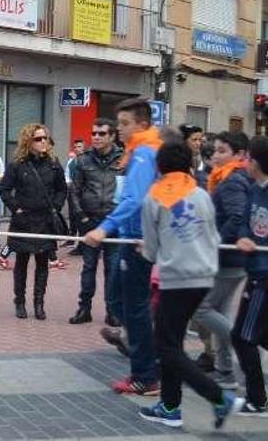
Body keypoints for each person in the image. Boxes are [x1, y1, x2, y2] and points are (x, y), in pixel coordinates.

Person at [138, 140, 244, 429]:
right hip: (204, 276)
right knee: (170, 341)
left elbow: (150, 251)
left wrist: (144, 249)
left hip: (176, 278)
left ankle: (218, 397)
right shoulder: (200, 194)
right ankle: (171, 407)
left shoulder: (154, 197)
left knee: (166, 346)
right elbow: (212, 234)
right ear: (188, 165)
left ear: (159, 166)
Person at [84, 97, 162, 396]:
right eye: (119, 124)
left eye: (125, 124)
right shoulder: (137, 152)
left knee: (133, 306)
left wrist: (104, 228)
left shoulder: (144, 153)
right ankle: (144, 351)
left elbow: (135, 199)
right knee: (118, 299)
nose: (120, 129)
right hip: (130, 237)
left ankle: (146, 372)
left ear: (142, 125)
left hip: (136, 241)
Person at [188, 131, 250, 388]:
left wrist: (215, 243)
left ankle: (243, 345)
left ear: (238, 155)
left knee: (201, 309)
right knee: (220, 311)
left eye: (222, 150)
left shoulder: (233, 180)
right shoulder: (226, 178)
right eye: (215, 150)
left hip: (227, 258)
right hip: (229, 258)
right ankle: (225, 372)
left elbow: (236, 217)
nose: (215, 155)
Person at [0, 124, 66, 320]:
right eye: (38, 139)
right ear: (28, 141)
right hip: (23, 220)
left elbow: (62, 189)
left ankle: (39, 303)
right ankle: (19, 301)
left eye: (45, 137)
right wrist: (16, 209)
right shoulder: (17, 164)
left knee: (43, 263)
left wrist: (56, 206)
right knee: (21, 262)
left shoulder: (54, 163)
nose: (43, 141)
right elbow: (4, 189)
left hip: (45, 220)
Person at [68, 119, 123, 326]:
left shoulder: (123, 159)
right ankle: (84, 308)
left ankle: (112, 311)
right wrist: (81, 216)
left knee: (112, 268)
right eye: (94, 134)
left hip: (113, 221)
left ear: (111, 136)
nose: (96, 137)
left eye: (101, 134)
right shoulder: (83, 160)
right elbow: (74, 190)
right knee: (88, 266)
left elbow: (127, 192)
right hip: (90, 220)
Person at [230, 135, 268, 417]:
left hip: (264, 278)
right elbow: (244, 221)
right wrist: (243, 237)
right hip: (253, 272)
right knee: (255, 335)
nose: (244, 163)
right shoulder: (254, 190)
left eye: (248, 158)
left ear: (255, 162)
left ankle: (257, 398)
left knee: (243, 337)